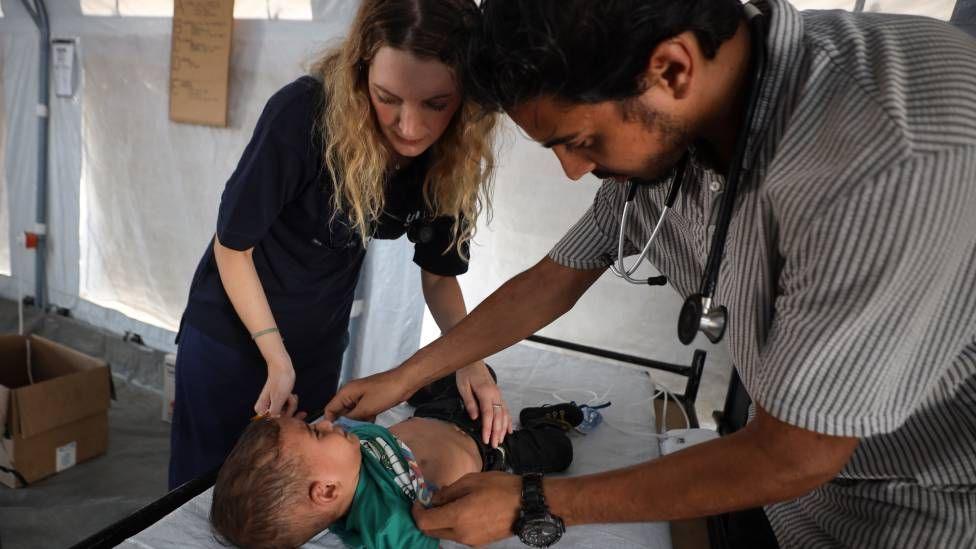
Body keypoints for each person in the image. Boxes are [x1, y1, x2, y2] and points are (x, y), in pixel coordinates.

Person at [325, 0, 976, 547]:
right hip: (778, 488)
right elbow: (556, 277)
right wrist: (405, 375)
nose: (574, 172)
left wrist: (533, 499)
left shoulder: (891, 160)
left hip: (904, 514)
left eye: (579, 141)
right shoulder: (684, 126)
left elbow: (795, 452)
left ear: (671, 69)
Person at [168, 0, 512, 491]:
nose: (409, 128)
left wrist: (469, 359)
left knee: (292, 498)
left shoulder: (450, 155)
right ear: (360, 71)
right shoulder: (302, 116)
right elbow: (233, 248)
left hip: (316, 348)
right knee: (203, 496)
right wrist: (275, 357)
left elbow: (438, 275)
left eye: (436, 104)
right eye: (386, 98)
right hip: (233, 339)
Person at [209, 370, 574, 549]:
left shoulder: (346, 456)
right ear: (325, 491)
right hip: (490, 448)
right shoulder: (385, 523)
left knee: (470, 370)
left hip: (436, 413)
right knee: (556, 452)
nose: (325, 423)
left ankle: (434, 384)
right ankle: (542, 421)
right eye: (317, 433)